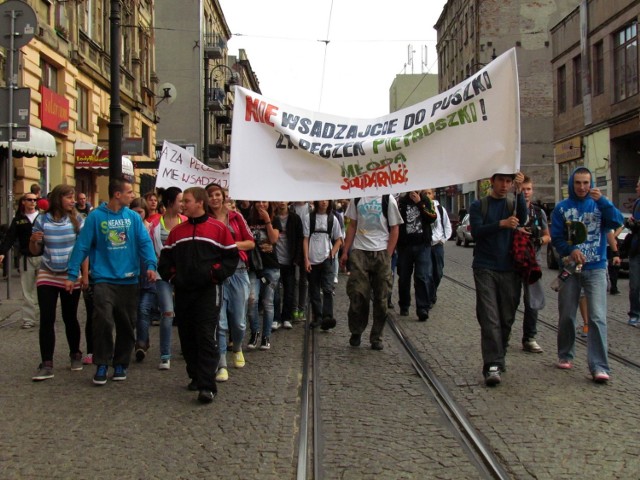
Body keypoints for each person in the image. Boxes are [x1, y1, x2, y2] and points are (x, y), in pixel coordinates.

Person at [65, 177, 158, 386]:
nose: (133, 196)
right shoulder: (96, 217)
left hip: (128, 279)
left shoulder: (133, 218)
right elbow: (82, 246)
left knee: (126, 325)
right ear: (117, 194)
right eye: (129, 192)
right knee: (103, 321)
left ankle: (120, 363)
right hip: (104, 279)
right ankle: (101, 363)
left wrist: (151, 265)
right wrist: (72, 275)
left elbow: (144, 242)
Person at [158, 187, 239, 404]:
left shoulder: (218, 229)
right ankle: (195, 375)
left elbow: (231, 258)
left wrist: (214, 274)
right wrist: (174, 278)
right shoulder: (177, 232)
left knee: (205, 335)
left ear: (199, 203)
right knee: (187, 336)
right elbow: (165, 262)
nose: (183, 204)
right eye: (183, 200)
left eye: (187, 200)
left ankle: (207, 385)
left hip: (208, 291)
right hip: (184, 292)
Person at [551, 166, 623, 383]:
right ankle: (565, 353)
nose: (582, 187)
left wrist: (604, 201)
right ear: (571, 184)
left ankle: (599, 366)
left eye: (586, 183)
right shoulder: (562, 208)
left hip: (596, 268)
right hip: (571, 269)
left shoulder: (599, 205)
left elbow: (617, 220)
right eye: (578, 183)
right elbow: (556, 237)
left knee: (597, 317)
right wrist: (569, 250)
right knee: (566, 315)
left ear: (591, 184)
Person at [469, 172, 527, 387]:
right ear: (492, 181)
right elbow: (476, 232)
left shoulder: (513, 203)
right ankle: (491, 364)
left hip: (510, 268)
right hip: (485, 267)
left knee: (506, 317)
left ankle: (499, 354)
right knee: (489, 316)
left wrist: (520, 192)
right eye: (501, 180)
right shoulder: (479, 205)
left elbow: (524, 217)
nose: (505, 185)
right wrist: (501, 224)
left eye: (509, 181)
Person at [30, 185, 88, 381]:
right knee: (46, 318)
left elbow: (83, 249)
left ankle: (75, 354)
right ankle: (47, 362)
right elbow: (35, 250)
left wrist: (84, 275)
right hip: (47, 271)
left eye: (73, 197)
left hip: (70, 274)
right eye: (69, 197)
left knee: (69, 316)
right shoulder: (42, 219)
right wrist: (34, 240)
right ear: (58, 199)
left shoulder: (77, 220)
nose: (73, 201)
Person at [339, 195, 403, 350]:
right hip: (360, 251)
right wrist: (345, 251)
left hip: (381, 252)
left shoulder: (388, 199)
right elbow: (352, 225)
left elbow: (395, 228)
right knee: (358, 294)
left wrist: (388, 254)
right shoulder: (357, 198)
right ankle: (356, 330)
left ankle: (376, 336)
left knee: (381, 299)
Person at [206, 183, 254, 383]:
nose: (215, 198)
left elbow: (250, 242)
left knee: (239, 321)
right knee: (221, 322)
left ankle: (237, 347)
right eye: (211, 195)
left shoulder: (236, 217)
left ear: (223, 196)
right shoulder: (206, 220)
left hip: (239, 271)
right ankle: (222, 363)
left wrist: (230, 245)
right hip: (217, 274)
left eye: (218, 194)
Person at [142, 187, 186, 370]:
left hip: (184, 274)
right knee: (167, 312)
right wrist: (151, 267)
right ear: (170, 203)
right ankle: (165, 354)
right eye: (180, 201)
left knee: (185, 313)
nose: (183, 204)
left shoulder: (186, 221)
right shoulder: (155, 225)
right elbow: (150, 249)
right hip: (163, 274)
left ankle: (187, 347)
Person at [518, 176, 551, 354]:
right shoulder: (512, 210)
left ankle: (529, 337)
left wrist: (539, 239)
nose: (526, 192)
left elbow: (548, 236)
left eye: (528, 189)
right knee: (510, 299)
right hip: (514, 260)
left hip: (534, 260)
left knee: (532, 300)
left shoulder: (539, 212)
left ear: (532, 190)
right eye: (523, 189)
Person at [0, 194, 42, 329]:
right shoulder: (18, 220)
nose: (33, 202)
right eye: (30, 200)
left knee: (43, 289)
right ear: (23, 202)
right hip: (26, 258)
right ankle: (29, 319)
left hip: (43, 257)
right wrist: (2, 252)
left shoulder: (43, 217)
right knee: (27, 289)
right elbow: (10, 237)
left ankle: (44, 316)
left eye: (35, 200)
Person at [396, 190, 437, 321]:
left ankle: (422, 307)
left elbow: (432, 217)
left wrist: (419, 203)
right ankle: (404, 304)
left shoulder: (426, 200)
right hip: (405, 246)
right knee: (403, 277)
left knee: (422, 276)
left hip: (422, 245)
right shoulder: (401, 202)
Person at [304, 200, 343, 330]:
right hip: (312, 257)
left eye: (326, 200)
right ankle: (318, 316)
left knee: (327, 288)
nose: (324, 202)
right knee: (314, 289)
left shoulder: (333, 219)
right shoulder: (308, 218)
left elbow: (339, 239)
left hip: (327, 257)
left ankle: (327, 316)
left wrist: (332, 252)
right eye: (322, 200)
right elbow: (305, 239)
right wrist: (306, 259)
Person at [246, 201, 280, 350]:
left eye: (264, 202)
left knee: (268, 302)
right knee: (252, 300)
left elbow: (273, 239)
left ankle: (266, 336)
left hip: (271, 267)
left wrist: (267, 220)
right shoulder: (248, 219)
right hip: (254, 267)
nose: (261, 204)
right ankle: (254, 332)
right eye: (258, 202)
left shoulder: (275, 219)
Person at [272, 201, 304, 331]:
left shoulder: (295, 218)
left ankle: (286, 317)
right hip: (275, 260)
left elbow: (300, 239)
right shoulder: (272, 218)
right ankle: (276, 318)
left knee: (289, 290)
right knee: (275, 292)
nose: (281, 202)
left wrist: (297, 258)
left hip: (290, 260)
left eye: (284, 200)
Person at [424, 189, 452, 306]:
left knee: (438, 272)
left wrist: (443, 240)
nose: (427, 195)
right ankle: (429, 297)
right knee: (427, 273)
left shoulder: (440, 208)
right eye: (424, 193)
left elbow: (447, 225)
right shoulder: (421, 207)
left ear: (433, 195)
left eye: (429, 193)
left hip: (438, 245)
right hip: (426, 245)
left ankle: (433, 291)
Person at [627, 178, 640, 327]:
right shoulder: (637, 203)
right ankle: (635, 313)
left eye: (637, 186)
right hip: (636, 249)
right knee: (635, 284)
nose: (636, 189)